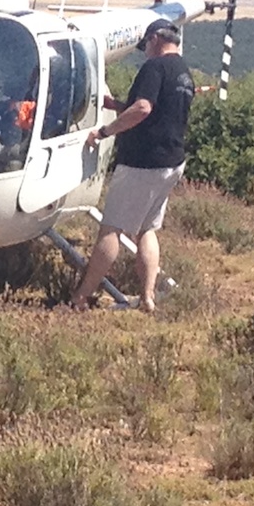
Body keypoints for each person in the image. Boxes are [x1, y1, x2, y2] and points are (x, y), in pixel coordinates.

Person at [72, 18, 194, 312]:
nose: (145, 52)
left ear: (154, 39)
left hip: (143, 162)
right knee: (147, 229)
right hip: (172, 161)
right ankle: (148, 297)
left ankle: (80, 298)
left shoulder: (154, 67)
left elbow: (143, 108)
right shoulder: (183, 71)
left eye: (145, 46)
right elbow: (159, 109)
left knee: (111, 230)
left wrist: (104, 132)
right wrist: (116, 105)